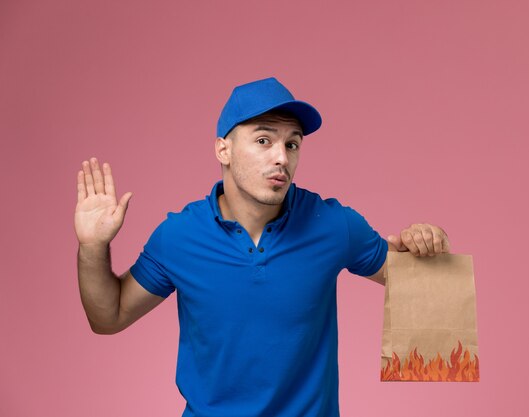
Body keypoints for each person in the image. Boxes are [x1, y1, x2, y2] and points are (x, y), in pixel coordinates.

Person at [75, 77, 451, 417]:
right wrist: (92, 246)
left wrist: (429, 246)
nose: (281, 158)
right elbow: (109, 317)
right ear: (223, 150)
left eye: (292, 144)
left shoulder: (334, 224)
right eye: (263, 140)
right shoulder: (178, 236)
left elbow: (423, 284)